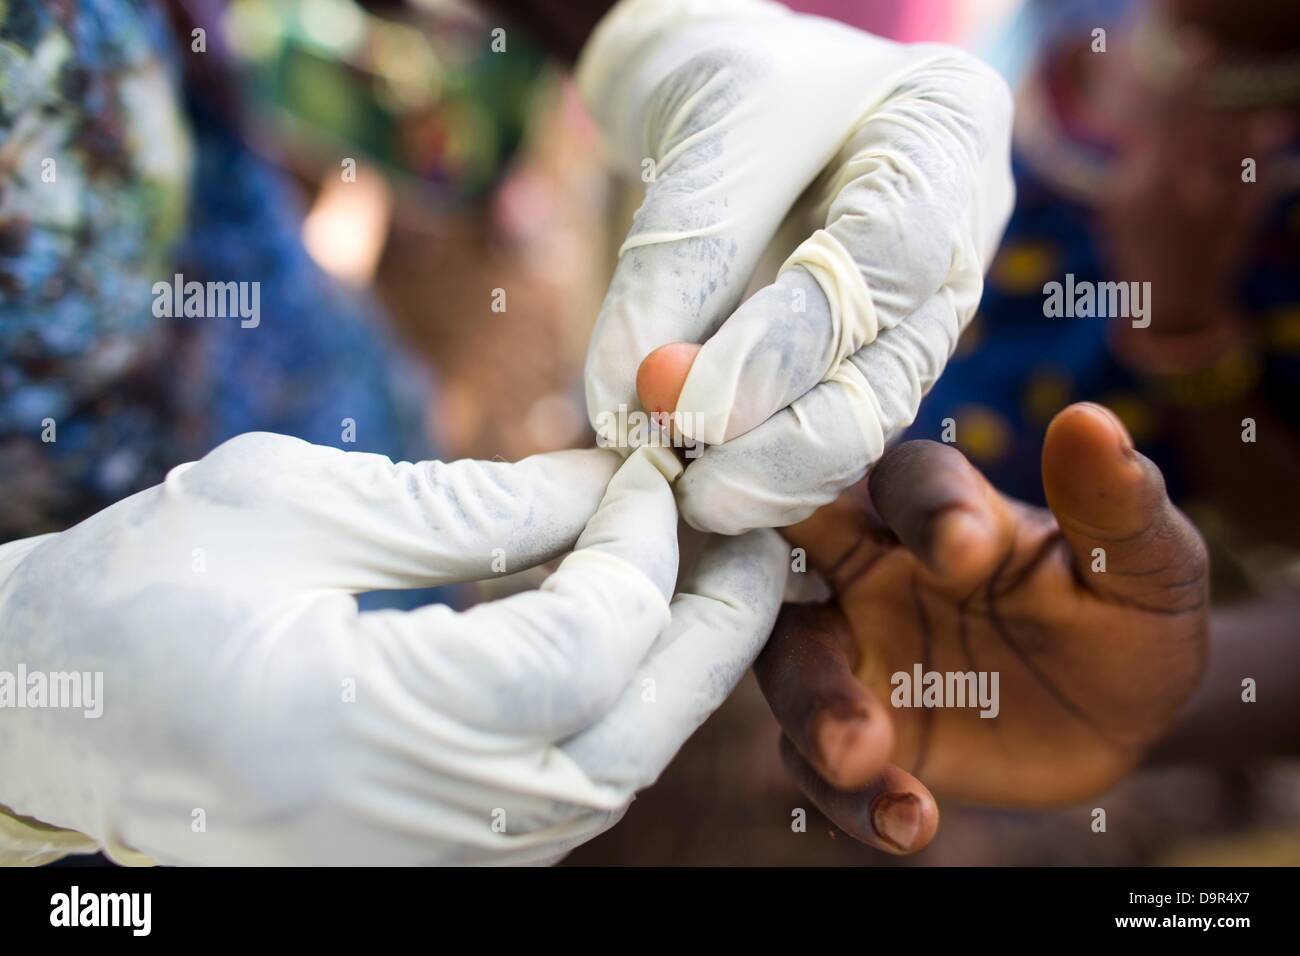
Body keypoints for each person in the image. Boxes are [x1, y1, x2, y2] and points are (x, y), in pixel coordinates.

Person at [0, 0, 1015, 864]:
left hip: (295, 374)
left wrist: (645, 31)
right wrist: (28, 715)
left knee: (439, 681)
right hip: (96, 674)